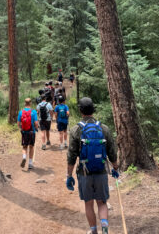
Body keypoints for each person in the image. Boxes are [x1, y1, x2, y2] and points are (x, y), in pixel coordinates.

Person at [66, 97, 119, 234]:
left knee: (88, 203)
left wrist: (69, 175)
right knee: (102, 202)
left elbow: (71, 156)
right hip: (101, 171)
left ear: (80, 111)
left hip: (84, 173)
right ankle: (105, 228)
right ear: (93, 110)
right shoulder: (104, 128)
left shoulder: (75, 130)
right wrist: (115, 168)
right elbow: (112, 152)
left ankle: (94, 230)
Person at [17, 98, 39, 169]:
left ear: (24, 103)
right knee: (31, 147)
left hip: (24, 132)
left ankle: (24, 157)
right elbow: (36, 123)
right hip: (32, 132)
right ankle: (30, 163)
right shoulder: (33, 112)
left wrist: (21, 129)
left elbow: (18, 123)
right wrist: (36, 128)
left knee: (24, 146)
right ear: (30, 103)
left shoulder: (21, 112)